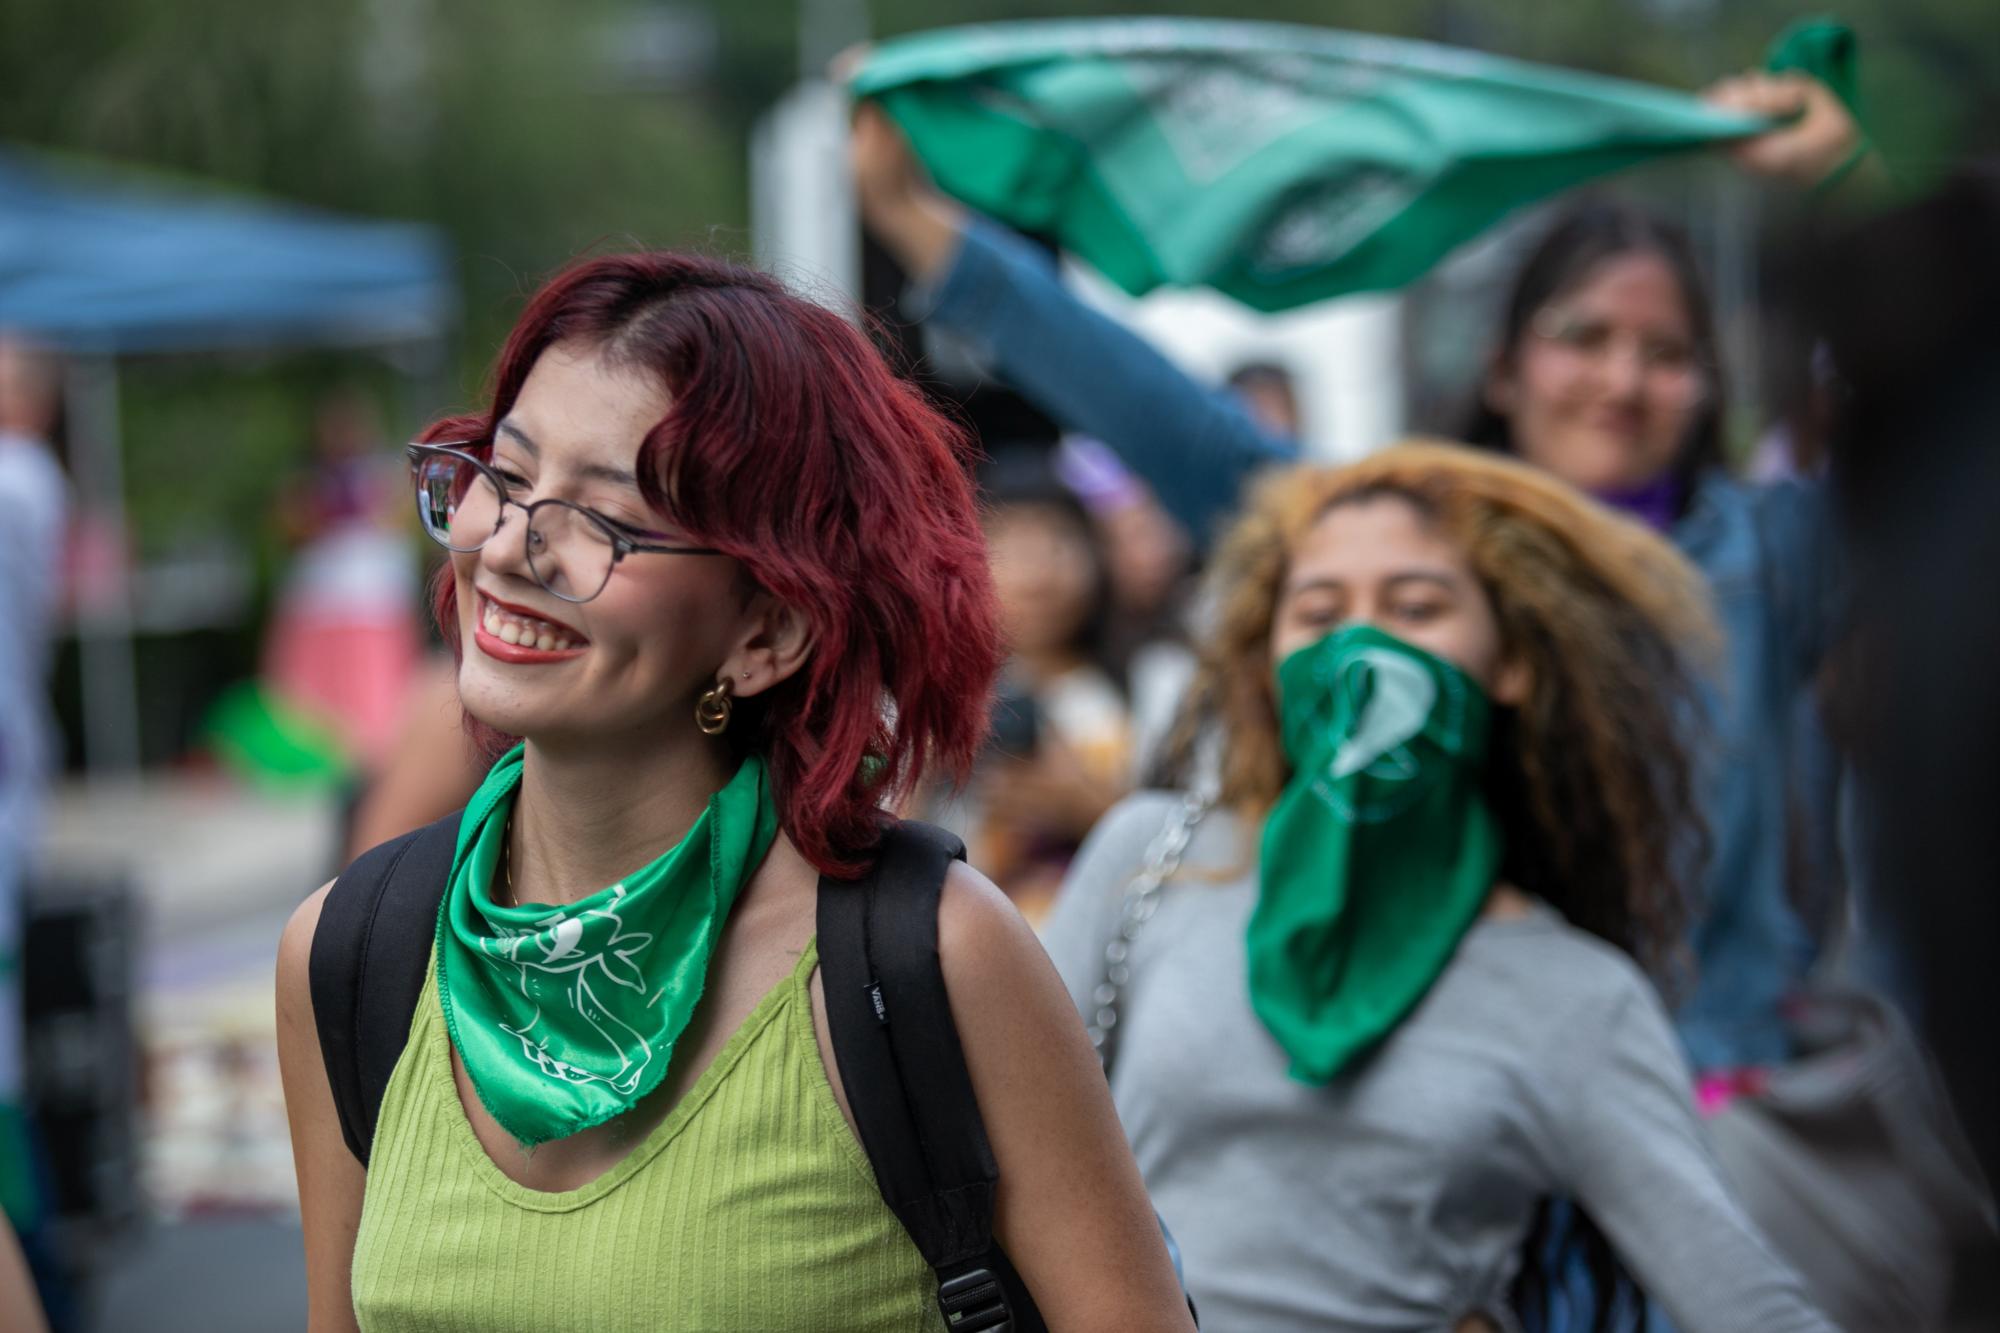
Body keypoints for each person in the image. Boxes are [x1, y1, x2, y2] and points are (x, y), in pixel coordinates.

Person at [851, 71, 1868, 1076]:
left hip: (1718, 1091)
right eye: (1582, 337)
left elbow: (1953, 433)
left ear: (1705, 388)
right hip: (1462, 1101)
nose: (1619, 381)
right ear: (1505, 367)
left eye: (1664, 352)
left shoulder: (1770, 557)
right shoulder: (1410, 543)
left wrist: (1843, 181)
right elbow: (1166, 416)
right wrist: (912, 217)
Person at [274, 252, 1195, 1332]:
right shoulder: (348, 953)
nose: (512, 547)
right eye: (506, 475)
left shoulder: (931, 961)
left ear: (767, 631)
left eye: (604, 519)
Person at [1042, 442, 1834, 1332]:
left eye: (1416, 607)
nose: (1362, 648)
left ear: (1512, 664)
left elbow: (1754, 1305)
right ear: (1266, 658)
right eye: (1319, 610)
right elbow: (1004, 1149)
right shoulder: (1153, 857)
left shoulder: (1577, 1000)